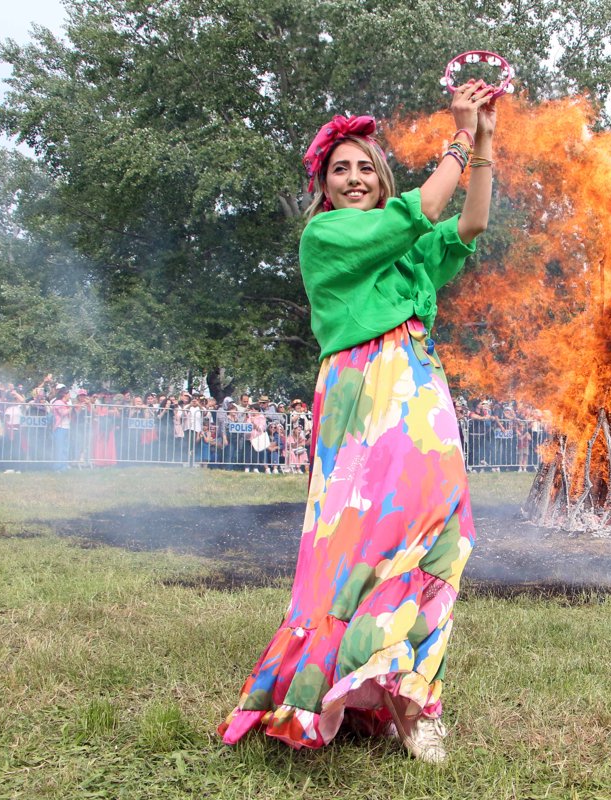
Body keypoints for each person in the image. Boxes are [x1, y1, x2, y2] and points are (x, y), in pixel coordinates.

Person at [220, 81, 497, 764]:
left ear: (381, 178)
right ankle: (372, 694)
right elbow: (429, 204)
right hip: (359, 393)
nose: (353, 176)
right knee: (360, 548)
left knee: (445, 540)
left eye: (365, 166)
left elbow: (468, 225)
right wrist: (459, 138)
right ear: (324, 184)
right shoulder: (327, 235)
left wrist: (485, 144)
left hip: (420, 386)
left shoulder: (404, 245)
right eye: (339, 167)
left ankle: (413, 695)